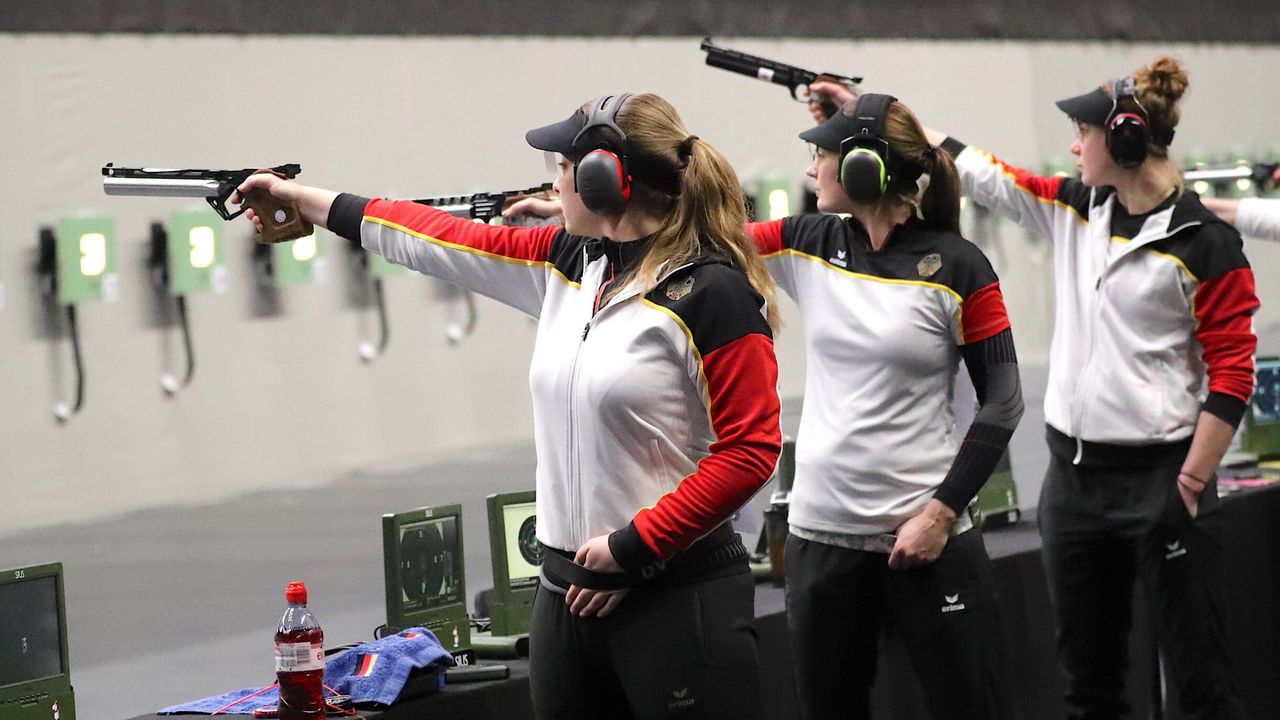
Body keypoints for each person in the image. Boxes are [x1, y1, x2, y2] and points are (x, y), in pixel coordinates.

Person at [235, 92, 782, 720]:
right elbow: (434, 237)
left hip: (677, 597)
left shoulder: (714, 294)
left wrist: (637, 546)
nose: (553, 184)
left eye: (562, 167)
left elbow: (750, 452)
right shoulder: (572, 265)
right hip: (566, 593)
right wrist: (305, 201)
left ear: (607, 179)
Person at [849, 55, 1257, 720]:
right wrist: (888, 117)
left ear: (1124, 138)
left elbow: (1233, 375)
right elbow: (988, 176)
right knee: (1087, 689)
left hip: (1163, 477)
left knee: (1203, 687)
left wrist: (1187, 485)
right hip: (1074, 481)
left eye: (1083, 133)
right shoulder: (1076, 209)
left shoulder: (1205, 244)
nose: (1074, 146)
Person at [745, 93, 1025, 720]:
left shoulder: (959, 267)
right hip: (822, 541)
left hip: (928, 538)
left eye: (821, 155)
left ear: (865, 168)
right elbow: (706, 240)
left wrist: (940, 513)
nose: (812, 169)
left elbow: (1003, 402)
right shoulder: (806, 241)